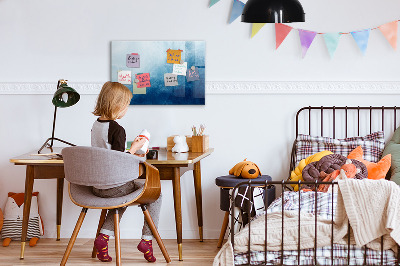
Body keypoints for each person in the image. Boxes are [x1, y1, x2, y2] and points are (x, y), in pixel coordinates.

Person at [91, 81, 161, 263]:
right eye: (126, 105)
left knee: (122, 197)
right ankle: (147, 240)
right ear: (117, 105)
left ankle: (103, 238)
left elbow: (108, 154)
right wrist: (135, 149)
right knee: (156, 194)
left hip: (97, 186)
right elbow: (118, 161)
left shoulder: (96, 125)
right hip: (114, 186)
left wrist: (130, 149)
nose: (127, 109)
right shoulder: (117, 129)